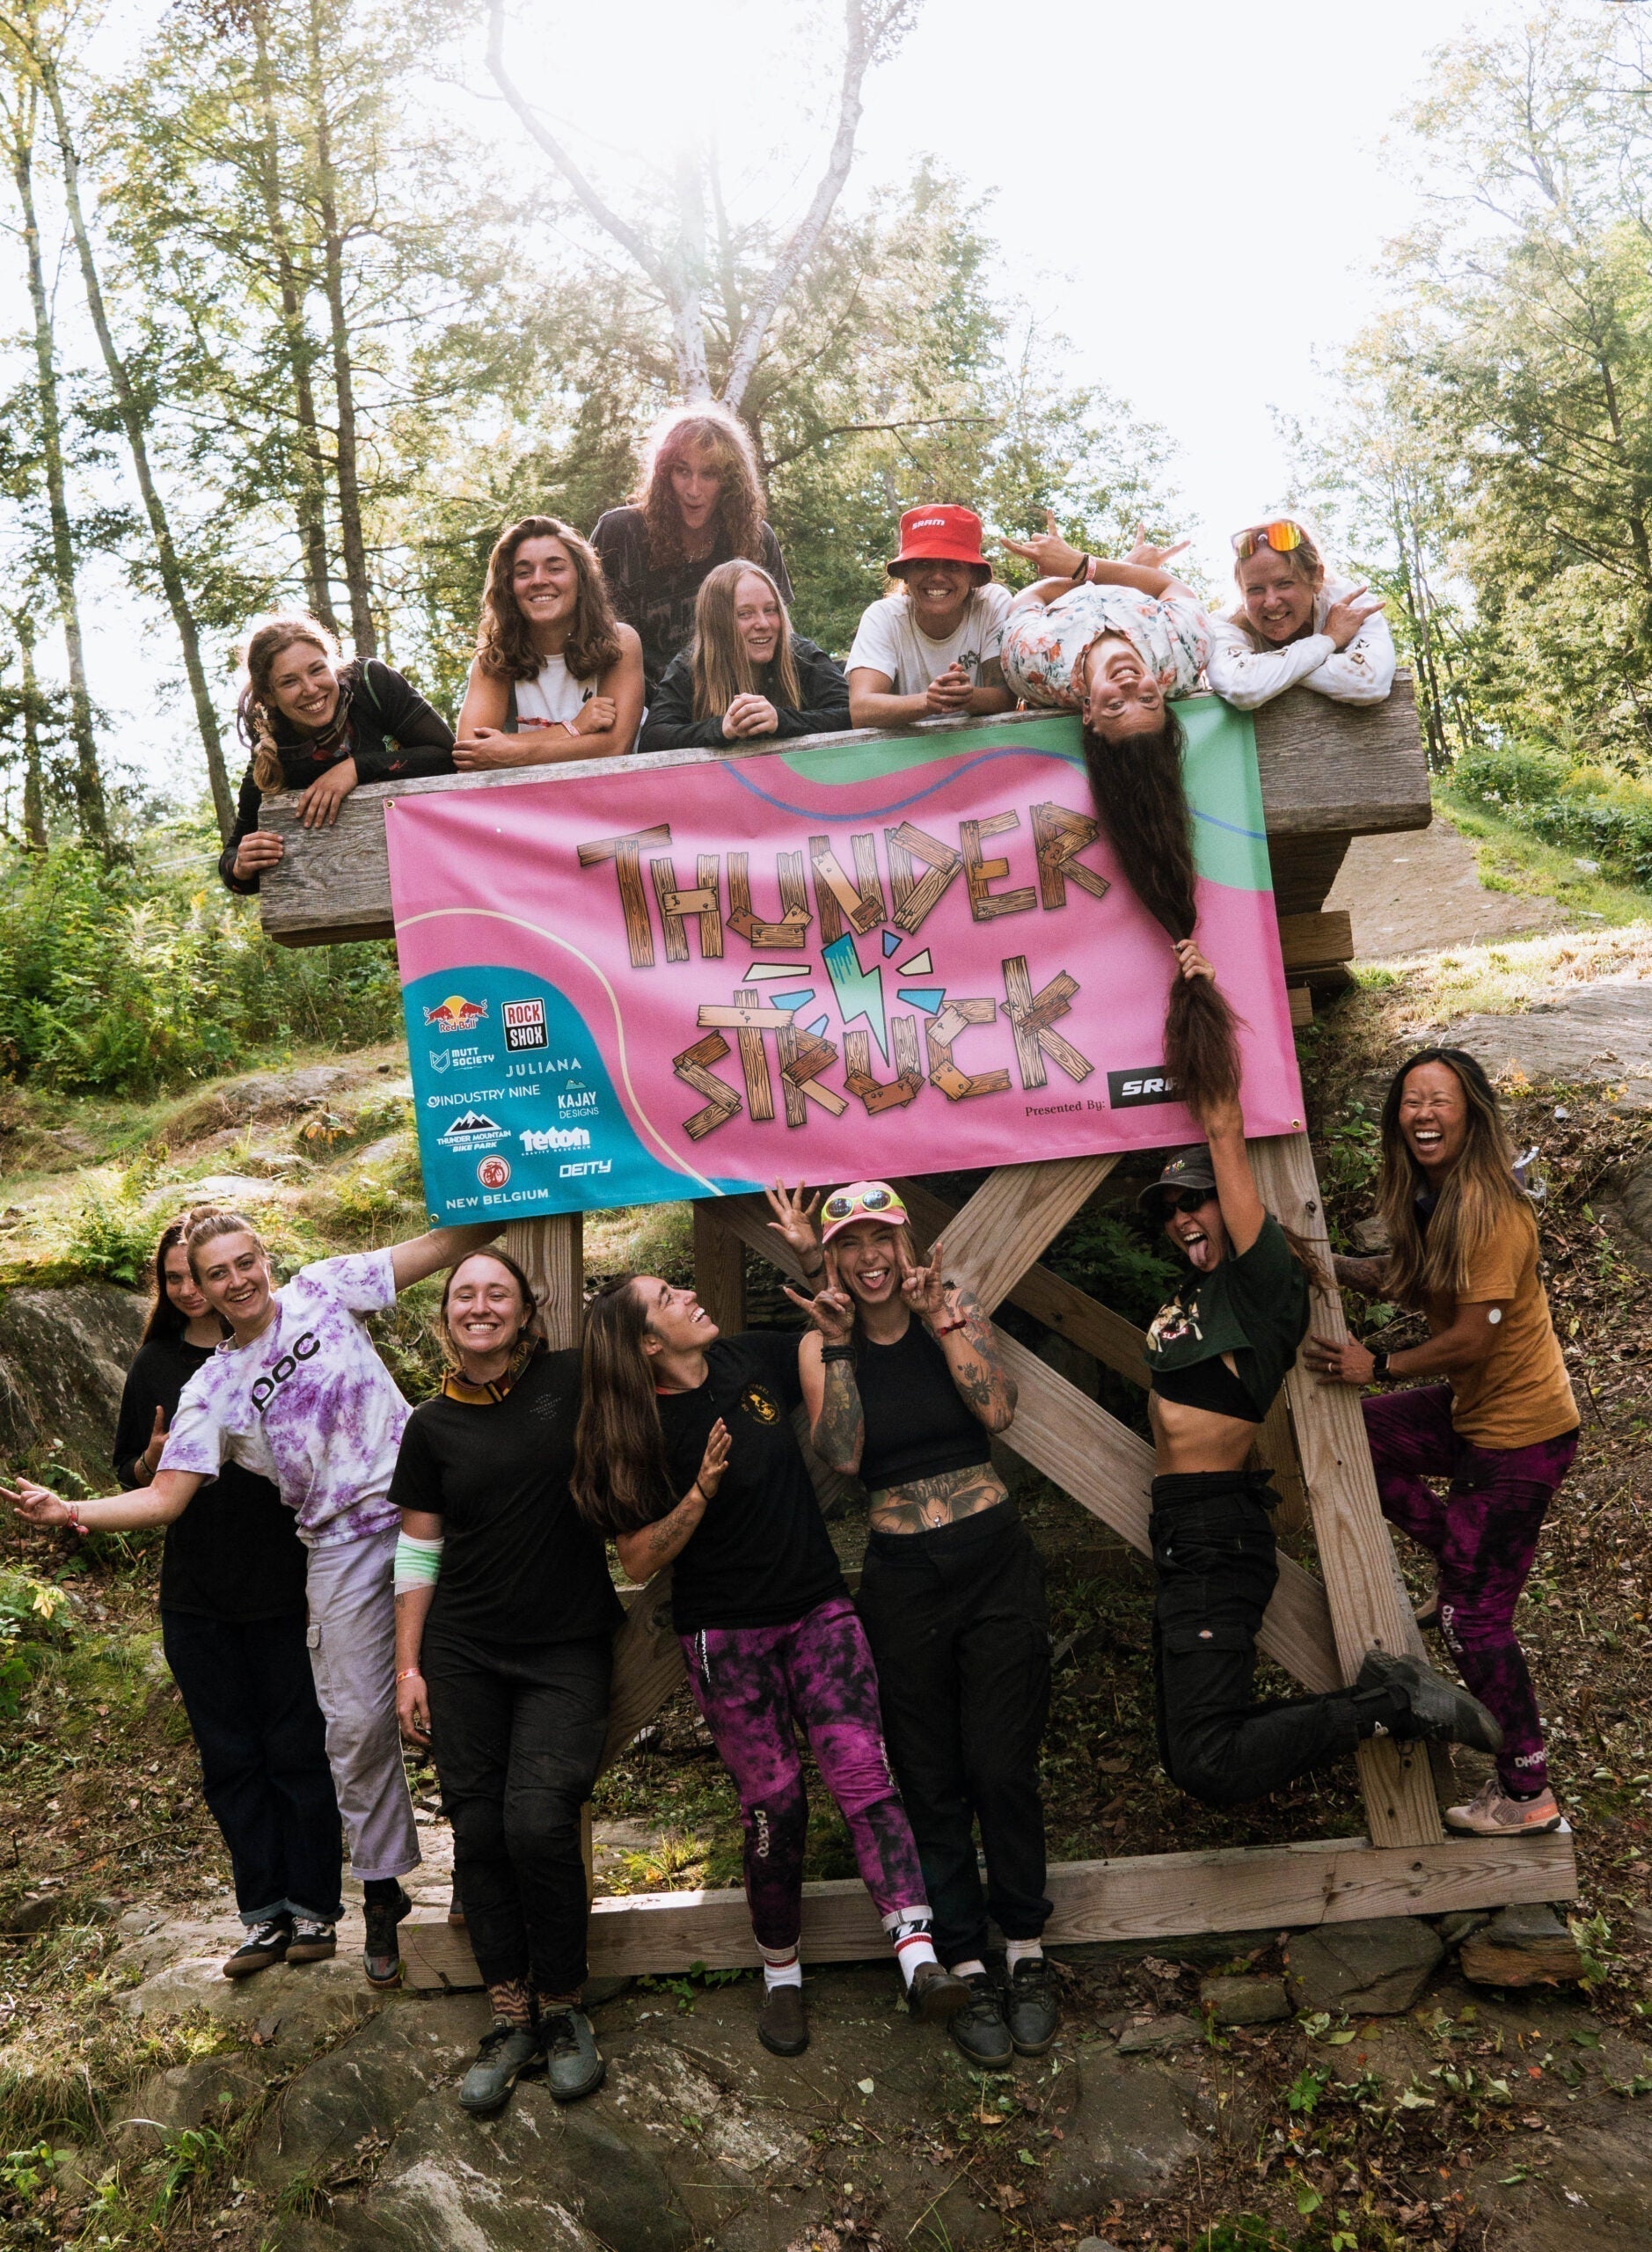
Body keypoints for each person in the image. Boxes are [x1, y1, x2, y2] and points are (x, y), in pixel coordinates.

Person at [4, 1208, 501, 1987]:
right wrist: (70, 1509)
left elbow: (442, 1246)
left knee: (471, 1690)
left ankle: (479, 1862)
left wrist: (517, 1188)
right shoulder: (212, 1388)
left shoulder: (325, 1290)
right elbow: (166, 1498)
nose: (236, 1280)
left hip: (428, 1512)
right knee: (355, 1728)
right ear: (198, 1291)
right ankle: (382, 1889)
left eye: (245, 1262)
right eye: (217, 1274)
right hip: (337, 1547)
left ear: (266, 1258)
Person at [569, 1238, 972, 2059]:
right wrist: (700, 1492)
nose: (689, 1296)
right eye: (669, 1297)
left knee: (866, 1778)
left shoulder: (746, 1359)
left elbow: (831, 1338)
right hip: (725, 1641)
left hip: (820, 1613)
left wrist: (813, 1269)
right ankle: (781, 1974)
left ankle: (918, 1958)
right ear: (646, 1343)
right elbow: (637, 1560)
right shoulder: (635, 1429)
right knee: (775, 1806)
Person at [1137, 945, 1504, 1810]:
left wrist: (1198, 999)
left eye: (1196, 1200)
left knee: (1207, 1760)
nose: (1183, 1217)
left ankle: (1397, 1704)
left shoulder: (1259, 1284)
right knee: (1187, 1749)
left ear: (1231, 1208)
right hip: (1184, 1534)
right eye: (1170, 1209)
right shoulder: (1196, 1293)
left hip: (1214, 1533)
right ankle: (1389, 1700)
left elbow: (1222, 1128)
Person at [791, 1181, 1055, 2073]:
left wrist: (945, 1320)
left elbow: (999, 1410)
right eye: (850, 1243)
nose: (869, 1257)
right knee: (931, 1774)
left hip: (993, 1562)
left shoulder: (955, 1306)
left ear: (906, 1243)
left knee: (1001, 1764)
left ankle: (1027, 1949)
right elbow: (842, 1455)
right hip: (903, 1579)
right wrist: (838, 1347)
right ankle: (968, 1962)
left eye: (882, 1238)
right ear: (832, 1259)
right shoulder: (820, 1342)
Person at [1303, 1048, 1579, 1837]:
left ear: (1472, 1113)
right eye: (1411, 1100)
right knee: (1358, 1437)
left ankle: (1528, 1792)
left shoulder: (1489, 1209)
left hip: (1521, 1439)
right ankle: (1453, 1550)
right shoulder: (1435, 1197)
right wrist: (1323, 1263)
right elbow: (1408, 1276)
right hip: (1472, 1417)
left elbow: (1473, 1338)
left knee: (1472, 1622)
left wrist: (1380, 1365)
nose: (1423, 1114)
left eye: (1441, 1101)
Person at [391, 1249, 619, 2112]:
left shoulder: (573, 1379)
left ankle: (563, 2006)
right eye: (463, 1294)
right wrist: (409, 1665)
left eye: (497, 1293)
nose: (479, 1306)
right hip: (464, 1651)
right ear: (446, 1314)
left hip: (566, 1645)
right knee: (480, 1827)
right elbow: (419, 1551)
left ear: (528, 1310)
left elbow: (656, 1361)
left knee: (537, 1820)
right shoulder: (429, 1425)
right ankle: (510, 2016)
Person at [108, 1212, 342, 1982]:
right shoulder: (157, 1364)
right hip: (198, 1596)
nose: (190, 1289)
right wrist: (151, 1461)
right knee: (231, 1760)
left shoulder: (283, 1340)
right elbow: (131, 1475)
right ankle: (263, 1913)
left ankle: (315, 1905)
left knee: (297, 1751)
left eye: (198, 1274)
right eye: (175, 1278)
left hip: (287, 1581)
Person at [998, 523, 1242, 1118]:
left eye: (1116, 704)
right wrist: (1095, 568)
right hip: (1106, 568)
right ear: (1165, 690)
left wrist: (1071, 575)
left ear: (1087, 712)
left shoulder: (1034, 668)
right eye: (1146, 700)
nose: (1131, 687)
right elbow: (1169, 586)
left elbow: (1025, 602)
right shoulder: (1184, 654)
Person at [220, 613, 454, 895]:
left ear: (333, 664)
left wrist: (356, 768)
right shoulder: (273, 751)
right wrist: (241, 867)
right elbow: (234, 864)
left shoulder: (371, 683)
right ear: (269, 696)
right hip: (361, 891)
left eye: (317, 670)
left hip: (442, 860)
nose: (310, 689)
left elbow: (448, 757)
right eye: (289, 682)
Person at [592, 403, 793, 691]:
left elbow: (781, 636)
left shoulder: (756, 537)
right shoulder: (619, 531)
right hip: (635, 700)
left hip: (732, 698)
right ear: (664, 474)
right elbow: (585, 625)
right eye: (682, 471)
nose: (694, 490)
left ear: (730, 481)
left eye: (709, 474)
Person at [453, 515, 645, 769]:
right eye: (523, 573)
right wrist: (574, 728)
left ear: (581, 581)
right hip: (531, 795)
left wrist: (509, 752)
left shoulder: (619, 642)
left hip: (610, 792)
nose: (539, 580)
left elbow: (614, 748)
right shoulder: (496, 659)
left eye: (555, 569)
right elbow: (470, 755)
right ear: (509, 587)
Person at [639, 561, 849, 752]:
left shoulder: (802, 654)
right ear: (718, 624)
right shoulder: (690, 666)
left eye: (770, 610)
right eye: (745, 614)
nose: (763, 624)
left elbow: (850, 713)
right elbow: (653, 738)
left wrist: (781, 720)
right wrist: (721, 728)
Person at [845, 506, 1014, 728]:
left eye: (953, 565)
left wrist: (968, 696)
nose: (937, 577)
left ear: (973, 575)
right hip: (904, 748)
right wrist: (928, 701)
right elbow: (861, 710)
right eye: (923, 564)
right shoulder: (883, 617)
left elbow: (1007, 697)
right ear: (905, 574)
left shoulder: (991, 603)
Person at [1204, 515, 1395, 711]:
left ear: (1317, 577)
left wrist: (1265, 674)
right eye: (1255, 589)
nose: (1270, 602)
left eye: (1284, 584)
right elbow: (1241, 688)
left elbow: (1369, 683)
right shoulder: (1226, 623)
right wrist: (1328, 639)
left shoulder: (1351, 605)